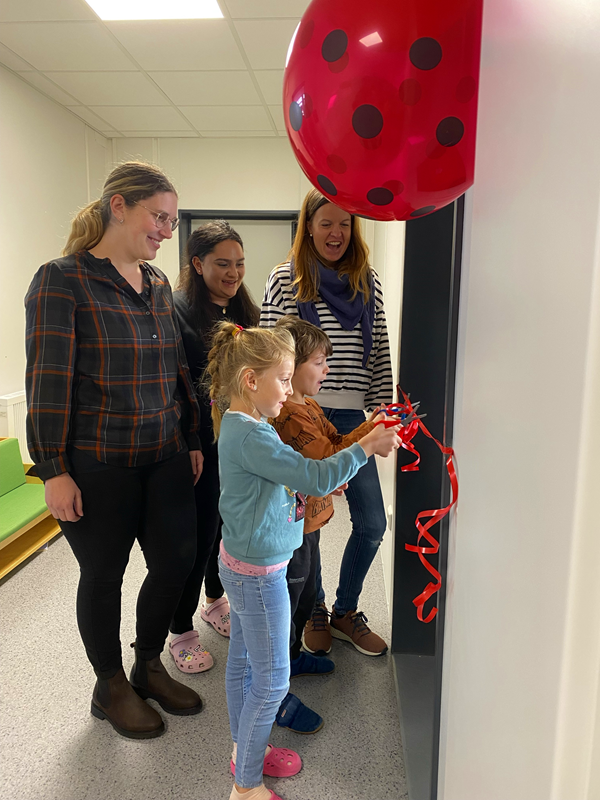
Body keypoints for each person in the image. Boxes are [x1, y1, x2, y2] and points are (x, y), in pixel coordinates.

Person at [25, 161, 204, 741]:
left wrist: (192, 438)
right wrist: (53, 469)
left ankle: (147, 663)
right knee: (104, 573)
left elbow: (177, 371)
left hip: (165, 453)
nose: (166, 231)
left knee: (178, 560)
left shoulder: (156, 286)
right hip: (98, 460)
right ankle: (109, 685)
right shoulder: (62, 279)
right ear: (119, 207)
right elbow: (48, 380)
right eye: (159, 216)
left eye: (172, 221)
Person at [206, 321, 402, 800]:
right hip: (260, 573)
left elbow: (291, 480)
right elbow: (313, 475)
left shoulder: (244, 425)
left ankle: (244, 749)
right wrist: (365, 447)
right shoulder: (254, 436)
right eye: (284, 379)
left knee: (247, 664)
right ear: (251, 380)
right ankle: (245, 786)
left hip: (245, 563)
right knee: (272, 681)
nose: (290, 390)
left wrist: (315, 477)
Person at [261, 188, 394, 657]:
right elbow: (266, 351)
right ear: (308, 227)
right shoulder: (285, 279)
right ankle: (315, 606)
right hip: (295, 416)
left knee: (373, 523)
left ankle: (345, 609)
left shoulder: (368, 282)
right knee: (307, 526)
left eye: (344, 223)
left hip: (351, 417)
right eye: (325, 223)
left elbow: (378, 349)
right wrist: (269, 417)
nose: (335, 232)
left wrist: (381, 414)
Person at [272, 316, 394, 677]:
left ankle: (295, 652)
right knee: (294, 600)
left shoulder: (310, 406)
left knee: (307, 593)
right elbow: (325, 466)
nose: (327, 369)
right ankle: (282, 668)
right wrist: (370, 442)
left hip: (311, 522)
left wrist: (373, 424)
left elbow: (336, 444)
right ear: (291, 366)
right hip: (295, 528)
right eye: (320, 362)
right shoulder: (291, 417)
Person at [169, 220, 260, 673]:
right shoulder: (178, 311)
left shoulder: (244, 310)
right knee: (199, 535)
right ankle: (179, 628)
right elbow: (175, 385)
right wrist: (190, 440)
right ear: (197, 263)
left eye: (239, 263)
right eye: (222, 263)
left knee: (227, 529)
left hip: (239, 442)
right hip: (199, 444)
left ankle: (213, 598)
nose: (233, 272)